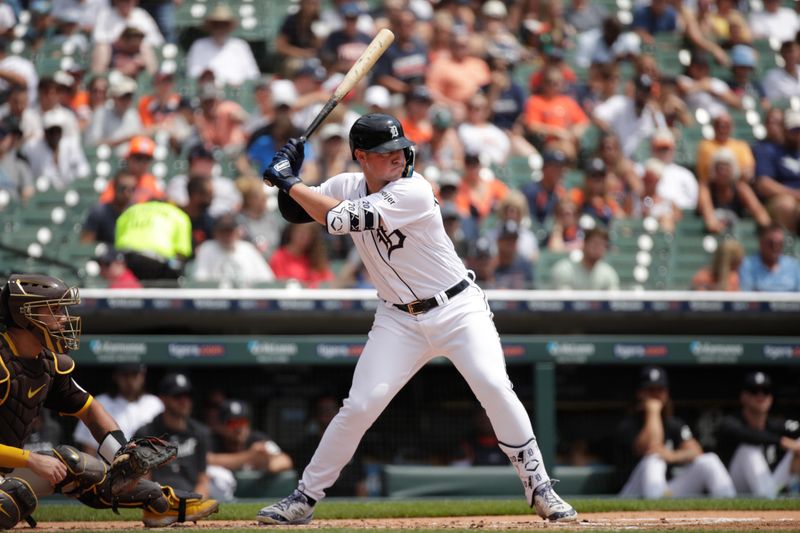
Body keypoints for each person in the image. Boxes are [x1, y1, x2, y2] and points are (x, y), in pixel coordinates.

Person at [257, 113, 577, 524]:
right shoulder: (344, 185)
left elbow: (339, 220)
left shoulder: (415, 190)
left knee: (495, 386)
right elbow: (297, 212)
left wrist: (288, 181)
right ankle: (303, 498)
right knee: (359, 406)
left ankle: (541, 488)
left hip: (458, 308)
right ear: (361, 156)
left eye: (399, 148)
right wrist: (290, 173)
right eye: (385, 151)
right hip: (398, 320)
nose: (398, 155)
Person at [0, 274, 218, 528]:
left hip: (7, 471)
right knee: (10, 503)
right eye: (54, 310)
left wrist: (123, 454)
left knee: (75, 464)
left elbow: (91, 411)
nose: (63, 318)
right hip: (12, 471)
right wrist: (30, 459)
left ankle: (160, 502)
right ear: (24, 314)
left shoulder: (48, 364)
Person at [615, 366, 736, 499]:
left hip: (665, 491)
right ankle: (656, 513)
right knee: (654, 459)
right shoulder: (628, 424)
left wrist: (672, 456)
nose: (655, 395)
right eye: (650, 390)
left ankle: (734, 513)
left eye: (659, 389)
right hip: (632, 493)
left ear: (666, 393)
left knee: (709, 460)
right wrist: (653, 411)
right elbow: (651, 446)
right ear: (640, 393)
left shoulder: (673, 424)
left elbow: (696, 450)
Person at [716, 372, 800, 498]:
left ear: (771, 397)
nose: (760, 395)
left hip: (773, 483)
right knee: (749, 450)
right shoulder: (731, 422)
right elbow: (747, 435)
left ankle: (786, 494)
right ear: (743, 396)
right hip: (736, 486)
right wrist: (781, 441)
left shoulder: (776, 424)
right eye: (754, 391)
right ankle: (769, 497)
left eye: (765, 391)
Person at [136, 373, 212, 498]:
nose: (184, 401)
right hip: (158, 498)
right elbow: (143, 480)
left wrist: (195, 501)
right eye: (177, 396)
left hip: (190, 497)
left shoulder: (200, 432)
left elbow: (203, 480)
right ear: (163, 399)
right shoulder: (146, 433)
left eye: (188, 396)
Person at [207, 400, 293, 501]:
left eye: (242, 422)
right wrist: (249, 456)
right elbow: (208, 459)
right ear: (222, 426)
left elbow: (285, 460)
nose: (239, 427)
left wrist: (267, 462)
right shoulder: (214, 440)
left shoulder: (257, 439)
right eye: (233, 423)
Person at [73, 363, 163, 454]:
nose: (130, 380)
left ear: (143, 376)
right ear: (115, 376)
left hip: (148, 464)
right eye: (125, 375)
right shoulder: (100, 403)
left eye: (134, 375)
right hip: (109, 466)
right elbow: (89, 449)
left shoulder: (155, 404)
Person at [115, 199, 193, 281]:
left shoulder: (129, 212)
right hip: (158, 261)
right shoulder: (179, 214)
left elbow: (117, 245)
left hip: (126, 258)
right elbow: (181, 254)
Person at [191, 214, 275, 287]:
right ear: (215, 232)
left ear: (238, 232)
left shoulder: (248, 249)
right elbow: (199, 280)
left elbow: (267, 279)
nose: (227, 235)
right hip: (216, 300)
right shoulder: (207, 248)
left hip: (247, 299)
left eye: (230, 231)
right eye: (223, 231)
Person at [186, 4, 260, 87]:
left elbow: (252, 75)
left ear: (229, 27)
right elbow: (193, 74)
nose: (220, 29)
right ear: (211, 26)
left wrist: (236, 83)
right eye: (216, 25)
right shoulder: (199, 45)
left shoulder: (240, 46)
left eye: (224, 25)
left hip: (236, 94)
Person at [550, 227, 620, 290]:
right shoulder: (565, 269)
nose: (598, 248)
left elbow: (613, 300)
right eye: (595, 243)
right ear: (584, 244)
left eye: (602, 245)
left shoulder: (608, 273)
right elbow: (564, 301)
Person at [738, 223, 800, 292]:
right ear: (761, 243)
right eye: (771, 243)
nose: (775, 247)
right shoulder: (748, 265)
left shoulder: (792, 265)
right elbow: (746, 296)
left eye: (780, 243)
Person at [268, 223, 333, 288]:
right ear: (292, 232)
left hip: (314, 296)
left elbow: (327, 281)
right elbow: (280, 283)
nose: (304, 237)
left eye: (308, 233)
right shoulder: (279, 257)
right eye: (300, 232)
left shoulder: (317, 258)